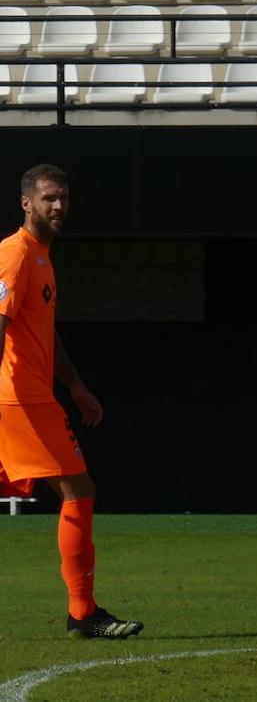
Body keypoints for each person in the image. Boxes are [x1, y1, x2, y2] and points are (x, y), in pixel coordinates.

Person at [0, 164, 143, 640]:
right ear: (26, 202)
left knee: (77, 493)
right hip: (19, 399)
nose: (58, 207)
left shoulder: (41, 256)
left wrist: (76, 385)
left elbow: (44, 332)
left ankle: (83, 611)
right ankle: (82, 612)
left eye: (63, 198)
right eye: (48, 199)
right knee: (78, 491)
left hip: (34, 396)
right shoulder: (16, 256)